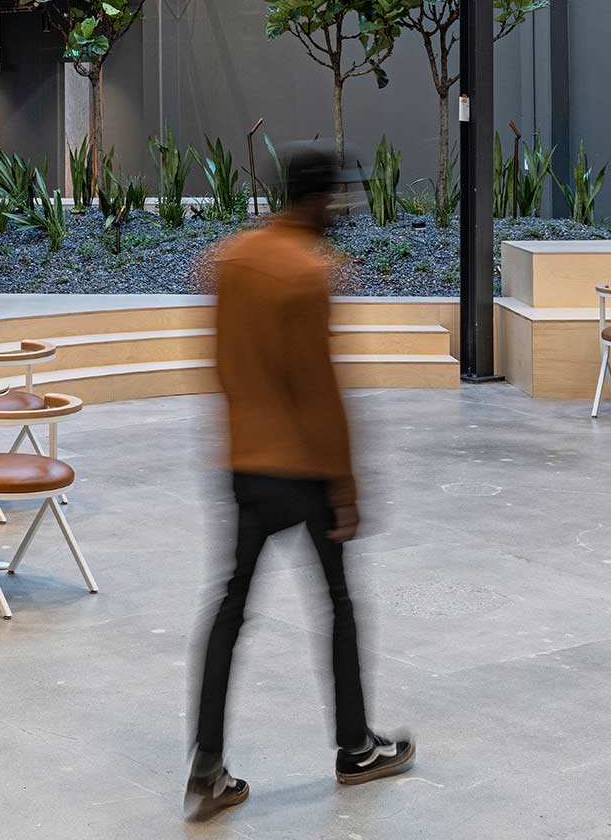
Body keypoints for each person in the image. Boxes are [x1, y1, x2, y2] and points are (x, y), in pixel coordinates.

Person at [187, 148, 411, 817]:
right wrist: (346, 488)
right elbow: (320, 392)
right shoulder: (310, 273)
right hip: (304, 469)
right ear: (316, 201)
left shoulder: (228, 260)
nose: (340, 211)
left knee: (230, 610)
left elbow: (222, 365)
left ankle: (207, 763)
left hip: (242, 463)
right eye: (336, 199)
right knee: (338, 604)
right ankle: (355, 748)